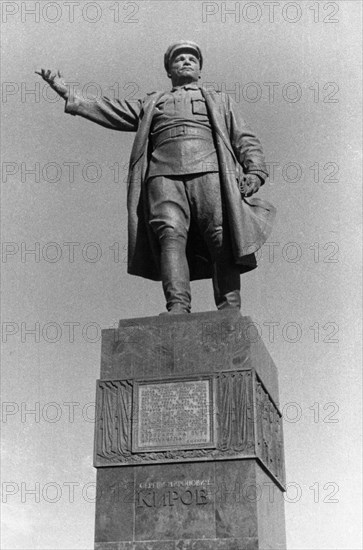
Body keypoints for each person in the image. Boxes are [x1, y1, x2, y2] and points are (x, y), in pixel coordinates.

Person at [36, 41, 275, 314]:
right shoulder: (152, 103)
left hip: (210, 173)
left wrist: (255, 171)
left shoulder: (220, 100)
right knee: (170, 236)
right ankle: (177, 308)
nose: (185, 62)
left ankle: (229, 312)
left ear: (199, 70)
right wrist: (69, 93)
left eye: (191, 59)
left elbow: (244, 138)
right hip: (163, 177)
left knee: (221, 237)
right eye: (179, 59)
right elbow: (110, 109)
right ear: (169, 71)